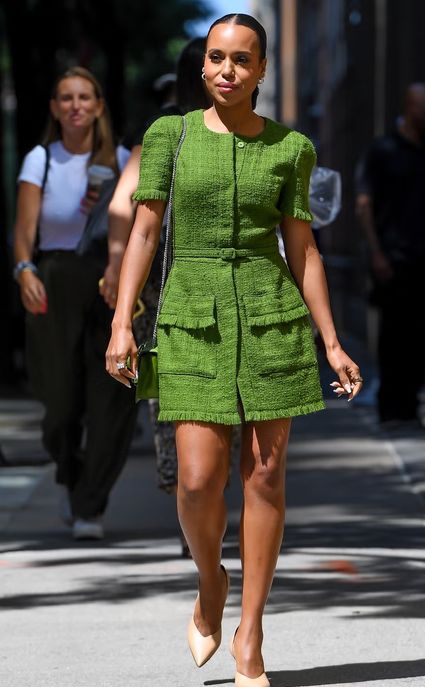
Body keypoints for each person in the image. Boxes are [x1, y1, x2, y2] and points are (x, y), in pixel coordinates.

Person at [106, 14, 362, 687]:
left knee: (265, 478)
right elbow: (144, 231)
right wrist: (122, 322)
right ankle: (212, 578)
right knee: (194, 480)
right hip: (190, 317)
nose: (226, 70)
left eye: (241, 60)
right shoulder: (171, 135)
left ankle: (250, 630)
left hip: (271, 317)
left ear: (262, 70)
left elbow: (302, 249)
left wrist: (331, 340)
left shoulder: (290, 149)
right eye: (216, 58)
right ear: (203, 66)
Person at [13, 66, 136, 540]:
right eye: (66, 98)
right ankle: (69, 471)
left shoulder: (125, 159)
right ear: (54, 108)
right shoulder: (40, 160)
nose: (76, 105)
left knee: (110, 397)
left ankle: (90, 503)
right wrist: (24, 269)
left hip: (109, 282)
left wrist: (120, 273)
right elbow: (24, 232)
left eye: (85, 97)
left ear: (99, 106)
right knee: (59, 400)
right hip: (55, 280)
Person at [106, 38, 211, 556]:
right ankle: (203, 500)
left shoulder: (160, 128)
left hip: (157, 281)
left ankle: (188, 498)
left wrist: (114, 269)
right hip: (191, 276)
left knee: (168, 394)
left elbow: (122, 211)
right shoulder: (185, 129)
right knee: (210, 395)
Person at [356, 83, 425, 428]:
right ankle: (391, 408)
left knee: (419, 336)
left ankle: (410, 407)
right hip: (393, 260)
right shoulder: (382, 151)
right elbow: (364, 204)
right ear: (412, 107)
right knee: (393, 336)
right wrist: (377, 252)